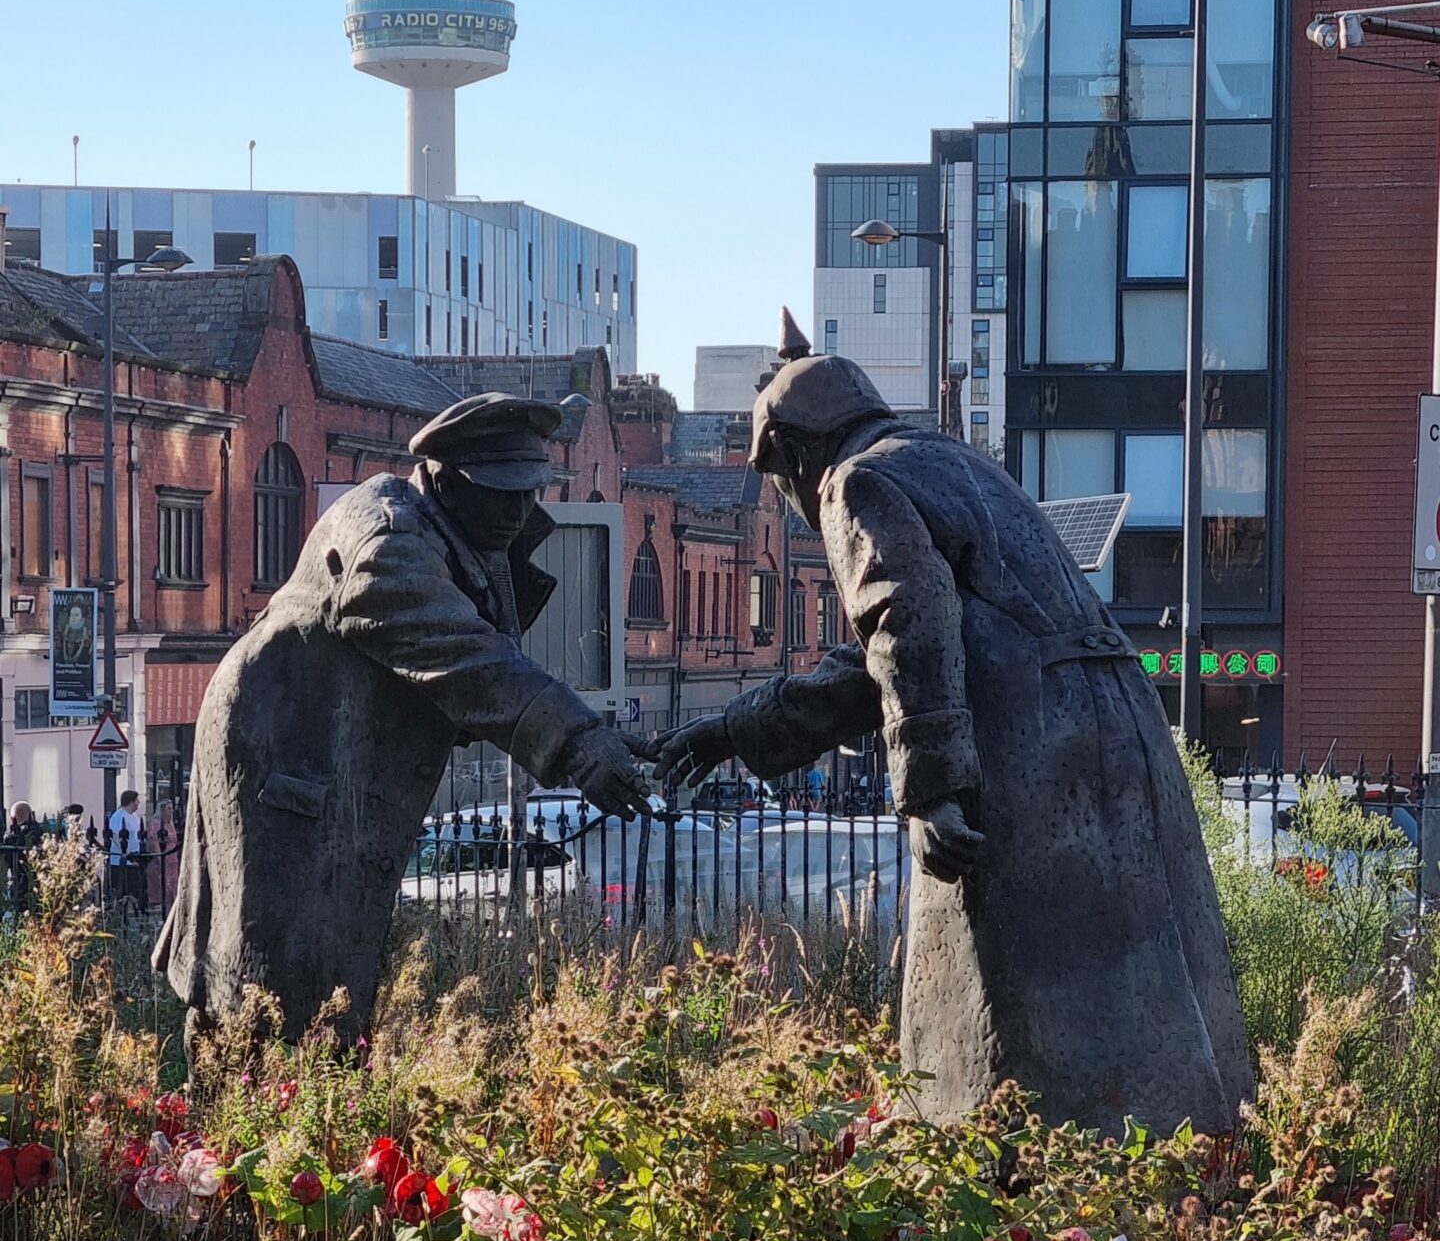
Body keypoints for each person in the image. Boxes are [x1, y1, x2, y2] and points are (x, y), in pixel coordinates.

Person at [655, 321, 1252, 1140]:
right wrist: (732, 730)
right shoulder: (952, 463)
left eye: (780, 477)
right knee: (1143, 977)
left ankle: (1026, 1206)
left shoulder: (856, 482)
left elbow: (905, 621)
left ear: (794, 454)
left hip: (1028, 745)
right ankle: (1189, 1180)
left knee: (1015, 1020)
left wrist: (932, 786)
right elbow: (874, 666)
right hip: (1109, 718)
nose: (792, 501)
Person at [156, 393, 651, 1051]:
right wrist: (575, 740)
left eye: (530, 492)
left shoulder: (460, 534)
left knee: (330, 957)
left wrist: (592, 733)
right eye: (502, 492)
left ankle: (305, 1114)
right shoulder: (386, 540)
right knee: (271, 967)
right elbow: (465, 657)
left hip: (330, 744)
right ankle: (250, 1115)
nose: (521, 509)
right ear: (444, 479)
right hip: (285, 746)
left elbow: (473, 670)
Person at [3, 801, 45, 914]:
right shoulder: (41, 832)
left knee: (21, 909)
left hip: (19, 880)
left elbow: (7, 862)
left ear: (13, 819)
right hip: (39, 880)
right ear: (32, 815)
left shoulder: (10, 838)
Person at [108, 789, 145, 912]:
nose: (139, 803)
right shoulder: (118, 816)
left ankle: (136, 910)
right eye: (136, 800)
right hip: (121, 861)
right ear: (131, 801)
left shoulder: (135, 817)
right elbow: (115, 836)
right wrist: (126, 853)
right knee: (122, 890)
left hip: (135, 858)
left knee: (134, 890)